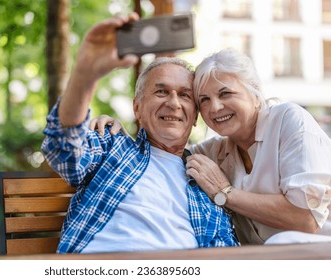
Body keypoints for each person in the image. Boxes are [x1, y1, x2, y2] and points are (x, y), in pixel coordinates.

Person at [41, 14, 238, 254]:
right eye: (161, 91)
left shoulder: (206, 183)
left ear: (195, 115)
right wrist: (86, 71)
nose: (174, 103)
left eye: (185, 95)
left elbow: (224, 254)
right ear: (137, 108)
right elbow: (62, 149)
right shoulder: (111, 146)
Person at [92, 48, 331, 245]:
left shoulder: (289, 120)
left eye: (225, 94)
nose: (215, 108)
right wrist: (120, 137)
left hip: (314, 253)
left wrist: (225, 193)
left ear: (254, 92)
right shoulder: (215, 151)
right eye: (204, 100)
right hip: (260, 262)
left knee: (284, 241)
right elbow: (162, 151)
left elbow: (305, 218)